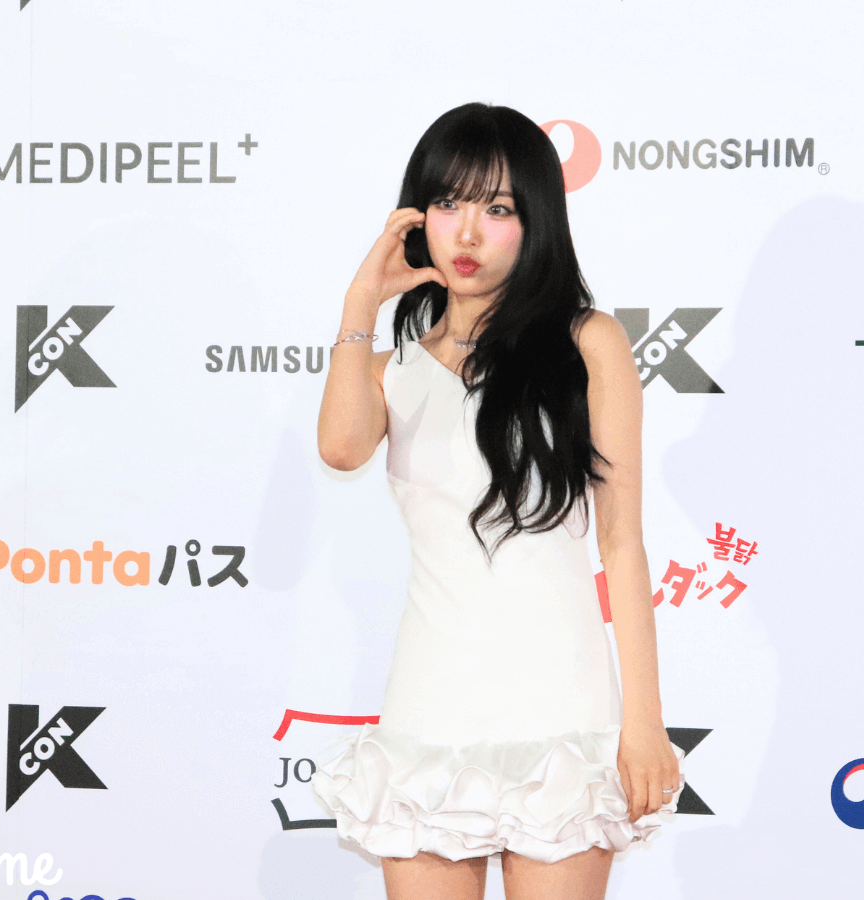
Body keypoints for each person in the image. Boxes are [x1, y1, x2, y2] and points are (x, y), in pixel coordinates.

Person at [311, 102, 684, 900]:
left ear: (536, 220)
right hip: (428, 711)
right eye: (448, 203)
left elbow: (621, 542)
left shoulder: (589, 344)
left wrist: (644, 722)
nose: (468, 233)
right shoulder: (390, 370)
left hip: (563, 712)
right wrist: (359, 304)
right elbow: (340, 448)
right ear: (417, 218)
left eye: (499, 208)